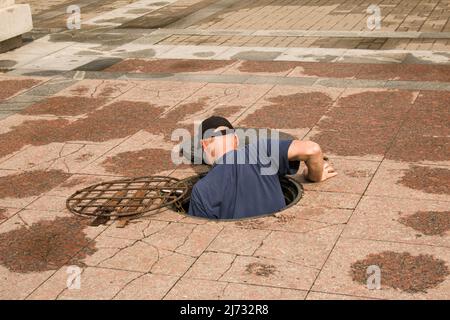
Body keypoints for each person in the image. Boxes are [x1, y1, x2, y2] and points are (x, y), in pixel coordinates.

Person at [188, 116, 337, 219]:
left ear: (204, 145)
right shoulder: (261, 150)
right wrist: (315, 176)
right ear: (236, 139)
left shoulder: (201, 191)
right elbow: (312, 149)